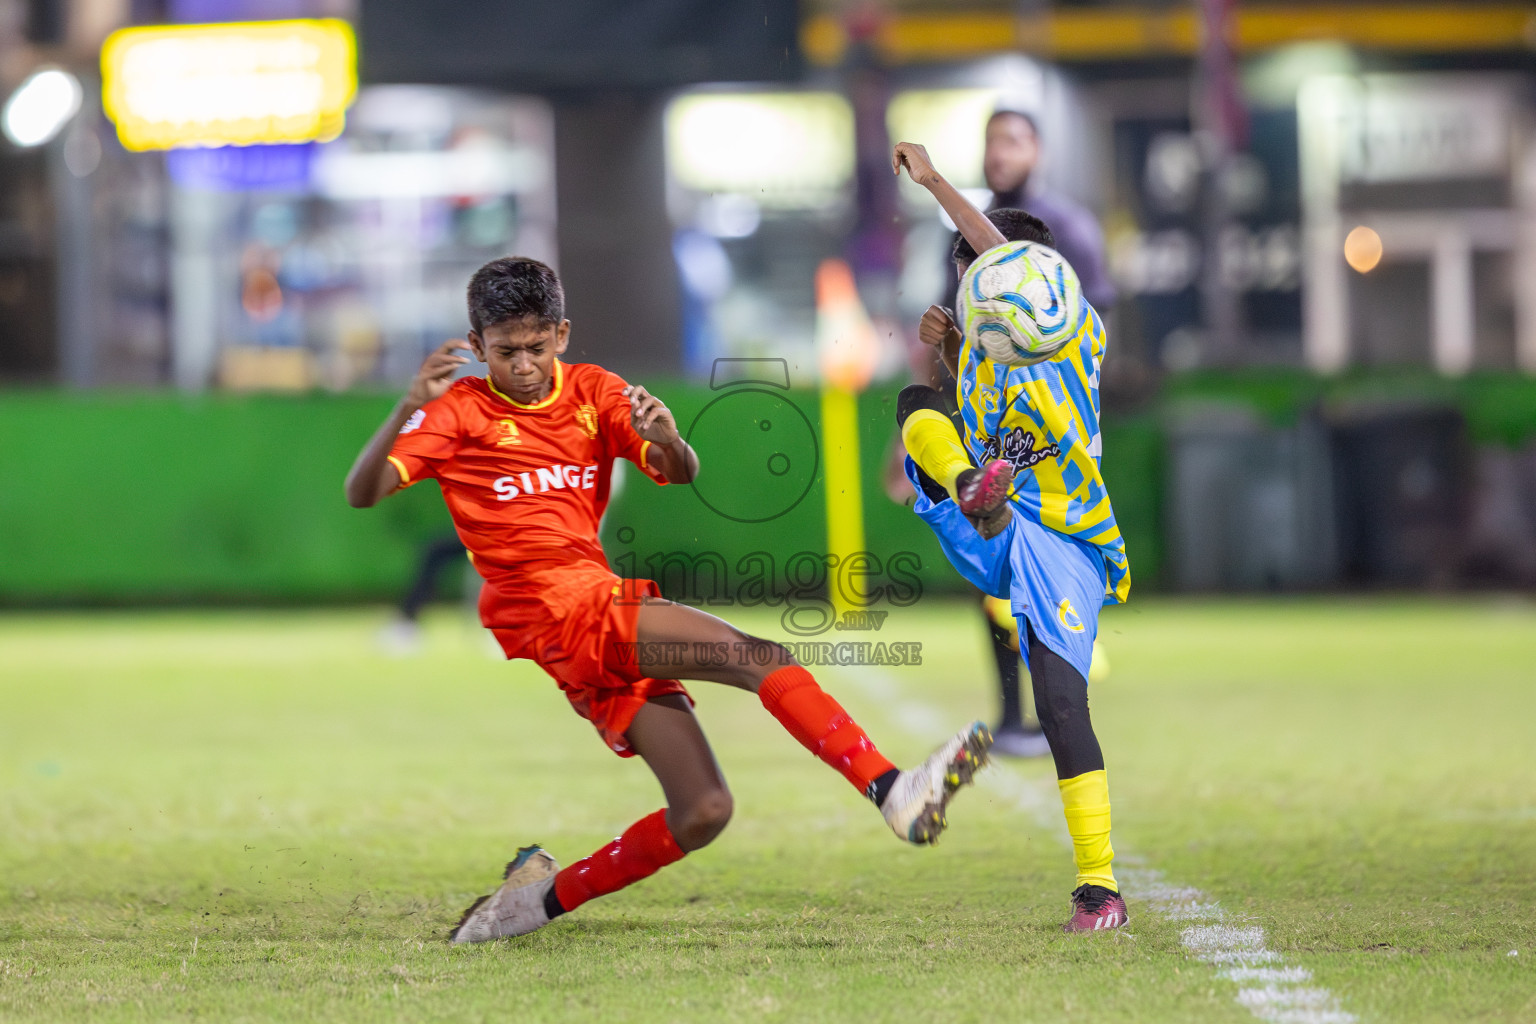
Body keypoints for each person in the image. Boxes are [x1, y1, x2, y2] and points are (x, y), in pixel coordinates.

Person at [344, 256, 992, 943]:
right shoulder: (458, 412)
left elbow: (679, 473)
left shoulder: (594, 390)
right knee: (757, 656)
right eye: (506, 352)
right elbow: (365, 490)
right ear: (477, 347)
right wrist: (408, 405)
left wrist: (669, 439)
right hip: (563, 614)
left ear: (561, 334)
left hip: (586, 622)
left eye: (536, 347)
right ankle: (892, 790)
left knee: (703, 810)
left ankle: (527, 906)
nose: (524, 365)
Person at [892, 141, 1130, 933]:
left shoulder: (1076, 332)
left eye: (983, 272)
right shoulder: (984, 359)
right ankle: (968, 491)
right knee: (915, 400)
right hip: (991, 525)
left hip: (1064, 541)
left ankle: (1099, 890)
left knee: (1063, 707)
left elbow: (1006, 259)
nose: (974, 283)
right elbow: (949, 415)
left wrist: (933, 184)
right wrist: (948, 350)